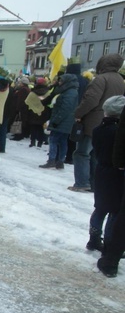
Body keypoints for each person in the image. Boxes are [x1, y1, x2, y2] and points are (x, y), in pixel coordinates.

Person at [70, 54, 125, 192]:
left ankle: (82, 183)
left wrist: (78, 113)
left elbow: (91, 100)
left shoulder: (101, 79)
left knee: (82, 153)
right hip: (112, 121)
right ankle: (94, 184)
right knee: (96, 154)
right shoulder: (120, 79)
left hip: (94, 121)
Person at [87, 95, 125, 252]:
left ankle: (94, 238)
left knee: (100, 207)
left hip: (101, 170)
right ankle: (109, 242)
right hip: (116, 172)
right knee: (114, 210)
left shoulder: (98, 130)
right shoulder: (118, 132)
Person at [39, 73, 79, 169]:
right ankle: (60, 161)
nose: (59, 83)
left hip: (62, 121)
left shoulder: (69, 93)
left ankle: (52, 160)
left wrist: (56, 120)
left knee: (53, 140)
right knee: (62, 141)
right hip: (65, 122)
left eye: (61, 81)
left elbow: (65, 109)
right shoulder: (69, 91)